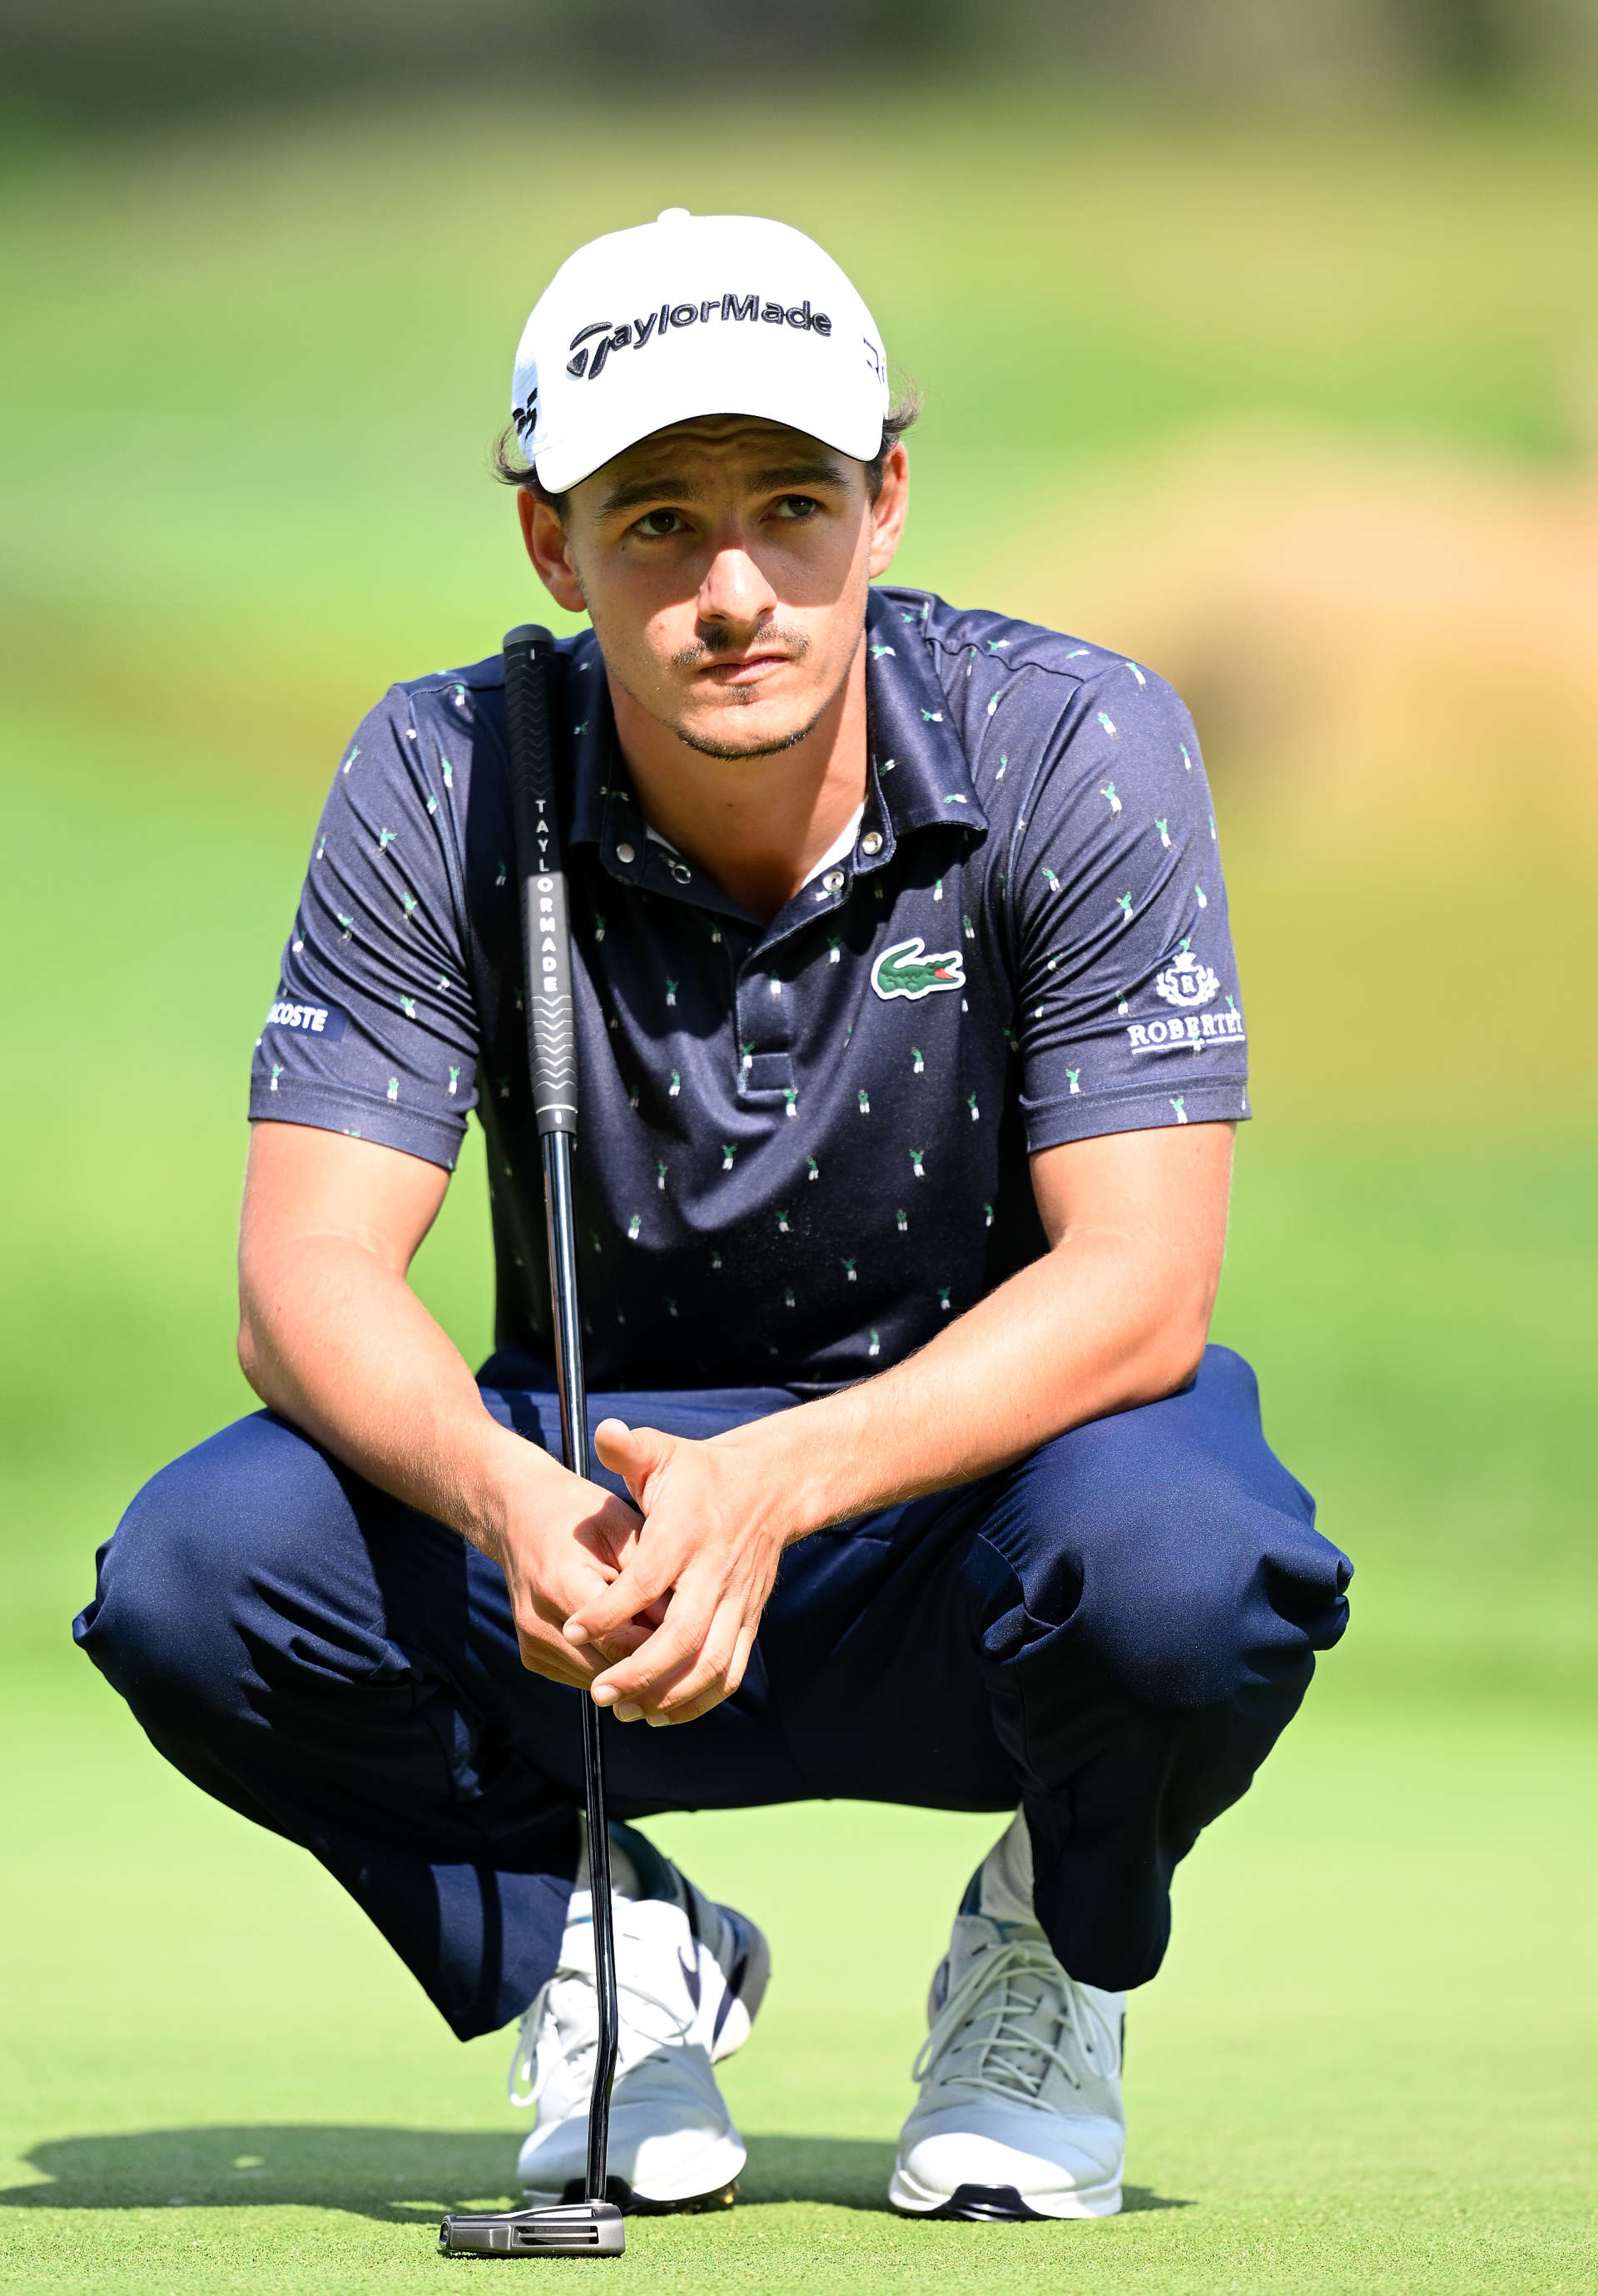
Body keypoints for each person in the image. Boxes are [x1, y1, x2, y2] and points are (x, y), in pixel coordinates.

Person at [75, 209, 1351, 2224]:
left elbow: (1140, 1285)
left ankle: (1050, 1939)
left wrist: (778, 1485)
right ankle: (593, 1942)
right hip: (580, 1527)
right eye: (655, 522)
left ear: (890, 499)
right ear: (551, 547)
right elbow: (303, 1273)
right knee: (194, 1578)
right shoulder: (447, 771)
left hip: (971, 1506)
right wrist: (516, 1506)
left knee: (1197, 1569)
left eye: (792, 505)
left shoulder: (1071, 741)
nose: (733, 588)